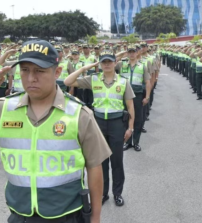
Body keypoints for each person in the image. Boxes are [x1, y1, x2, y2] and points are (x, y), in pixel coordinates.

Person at [0, 40, 111, 223]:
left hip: (66, 215)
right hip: (20, 215)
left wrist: (96, 217)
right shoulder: (5, 110)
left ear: (57, 72)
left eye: (39, 71)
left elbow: (94, 167)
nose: (30, 78)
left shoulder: (79, 114)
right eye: (25, 70)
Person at [64, 50, 135, 207]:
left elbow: (130, 107)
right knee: (100, 162)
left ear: (115, 63)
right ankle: (103, 194)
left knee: (117, 161)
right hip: (98, 123)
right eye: (104, 62)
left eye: (110, 61)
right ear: (100, 64)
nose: (107, 64)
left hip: (117, 123)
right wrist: (84, 68)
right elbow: (68, 81)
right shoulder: (93, 79)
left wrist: (130, 128)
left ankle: (117, 193)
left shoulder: (123, 81)